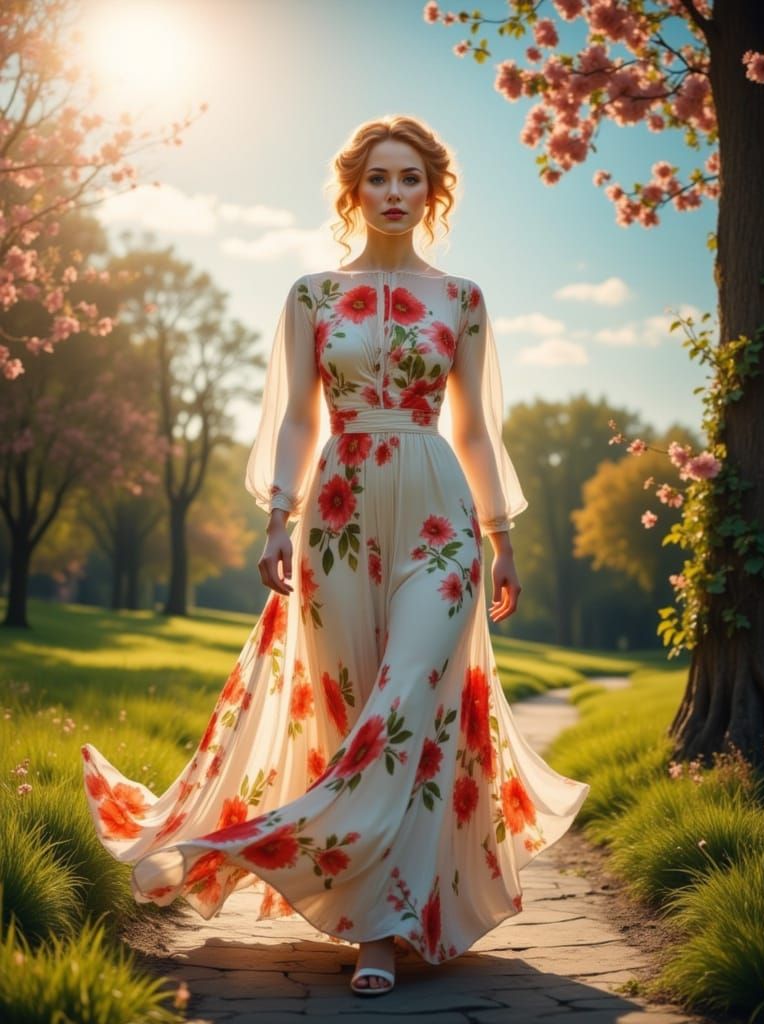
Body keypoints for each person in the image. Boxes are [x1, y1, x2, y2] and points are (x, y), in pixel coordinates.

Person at [80, 114, 590, 999]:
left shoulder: (461, 299)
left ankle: (356, 904)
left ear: (435, 193)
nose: (396, 194)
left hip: (440, 516)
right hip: (339, 512)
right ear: (354, 190)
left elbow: (473, 426)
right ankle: (370, 915)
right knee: (354, 711)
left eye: (412, 179)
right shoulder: (312, 295)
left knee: (406, 709)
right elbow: (296, 418)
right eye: (381, 179)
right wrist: (279, 516)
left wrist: (501, 538)